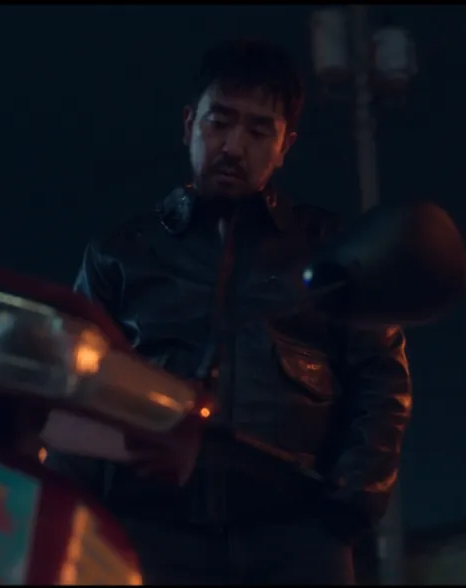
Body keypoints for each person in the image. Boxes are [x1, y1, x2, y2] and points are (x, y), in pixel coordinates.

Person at [45, 38, 412, 585]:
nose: (234, 147)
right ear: (189, 124)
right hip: (150, 535)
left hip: (297, 539)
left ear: (285, 145)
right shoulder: (120, 254)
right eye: (220, 122)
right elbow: (76, 391)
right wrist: (70, 516)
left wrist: (353, 501)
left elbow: (381, 380)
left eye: (259, 131)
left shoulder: (331, 251)